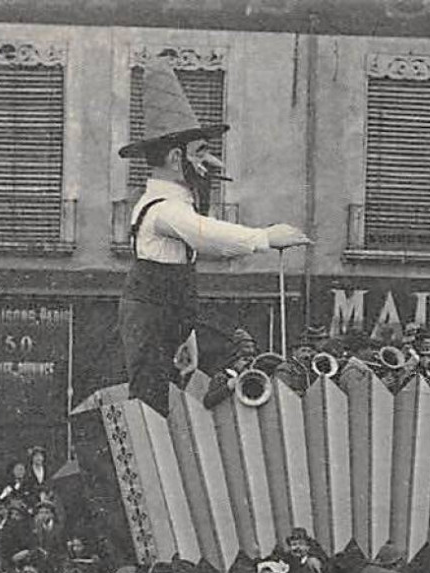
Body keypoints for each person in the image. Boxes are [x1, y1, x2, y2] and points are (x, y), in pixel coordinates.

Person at [116, 57, 309, 416]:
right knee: (150, 403)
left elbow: (182, 262)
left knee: (164, 399)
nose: (210, 161)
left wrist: (185, 333)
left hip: (166, 317)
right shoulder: (164, 209)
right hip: (151, 320)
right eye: (201, 152)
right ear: (177, 158)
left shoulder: (175, 201)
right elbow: (206, 235)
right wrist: (266, 237)